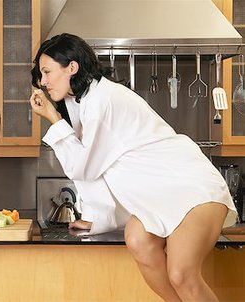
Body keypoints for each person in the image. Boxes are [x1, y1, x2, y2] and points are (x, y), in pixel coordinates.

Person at [30, 33, 238, 302]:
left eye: (47, 72)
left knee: (182, 274)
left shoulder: (102, 100)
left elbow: (85, 166)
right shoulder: (82, 101)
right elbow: (102, 166)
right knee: (138, 238)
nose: (43, 82)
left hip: (191, 189)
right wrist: (97, 216)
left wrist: (52, 116)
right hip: (156, 197)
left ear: (72, 67)